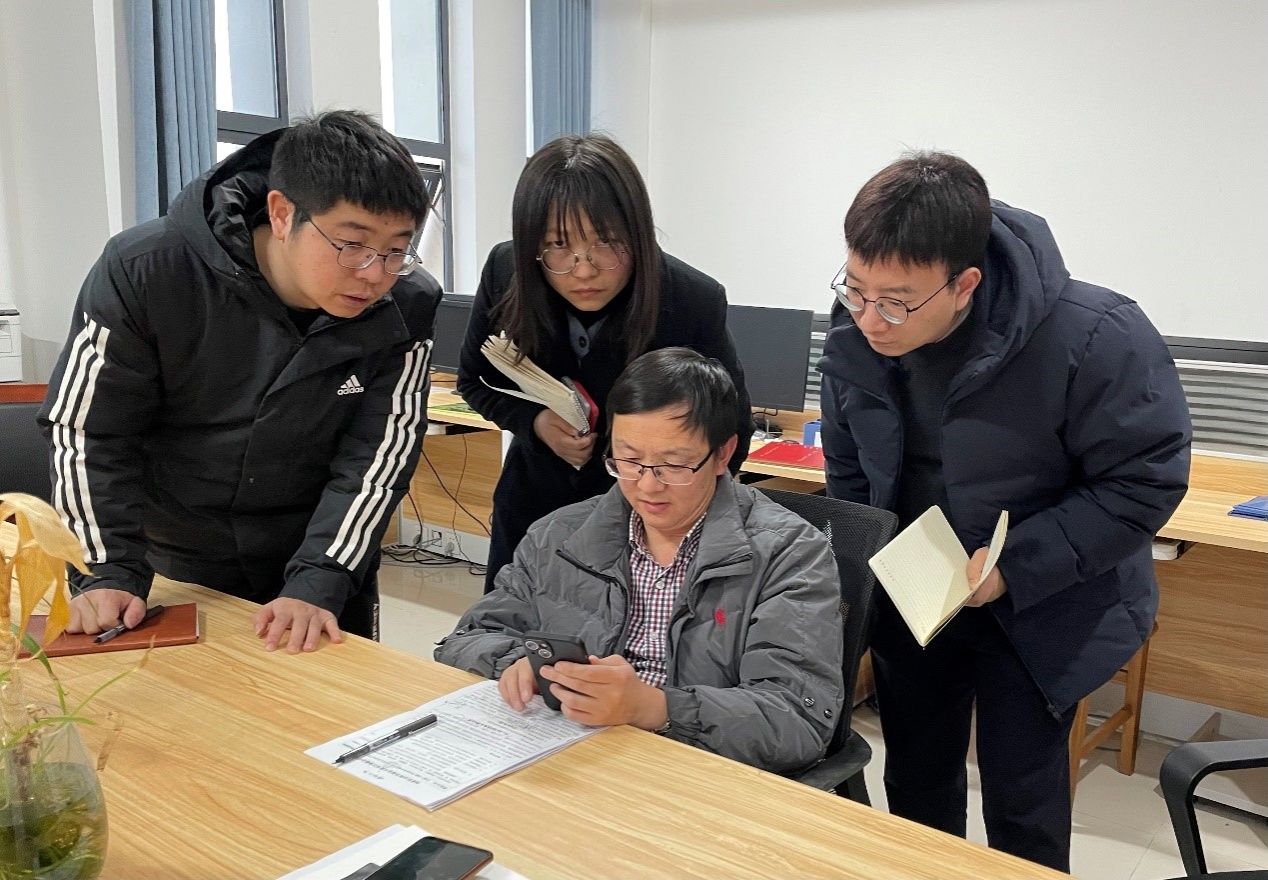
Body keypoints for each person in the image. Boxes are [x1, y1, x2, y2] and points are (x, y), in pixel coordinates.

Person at [818, 152, 1191, 870]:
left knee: (1024, 804)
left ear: (965, 283)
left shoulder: (1095, 335)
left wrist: (1012, 567)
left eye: (895, 301)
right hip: (917, 598)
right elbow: (849, 463)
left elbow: (1143, 482)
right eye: (855, 288)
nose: (870, 318)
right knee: (916, 785)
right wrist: (873, 561)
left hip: (1042, 606)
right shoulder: (860, 329)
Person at [39, 110, 441, 653]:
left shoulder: (406, 303)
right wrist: (106, 569)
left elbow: (379, 455)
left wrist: (321, 575)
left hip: (320, 557)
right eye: (352, 244)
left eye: (396, 250)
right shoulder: (149, 270)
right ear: (282, 213)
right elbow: (88, 431)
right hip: (175, 562)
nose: (374, 273)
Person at [437, 348, 842, 774]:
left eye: (674, 464)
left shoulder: (790, 554)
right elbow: (465, 640)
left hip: (696, 770)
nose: (648, 486)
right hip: (572, 756)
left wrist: (654, 707)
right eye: (629, 460)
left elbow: (798, 721)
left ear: (723, 455)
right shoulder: (559, 534)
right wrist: (518, 663)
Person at [457, 134, 752, 592]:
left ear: (637, 234)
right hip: (532, 507)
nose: (583, 269)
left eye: (607, 242)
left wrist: (673, 523)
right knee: (508, 627)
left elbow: (733, 430)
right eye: (558, 246)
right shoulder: (507, 271)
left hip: (641, 524)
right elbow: (475, 381)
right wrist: (535, 423)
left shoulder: (690, 300)